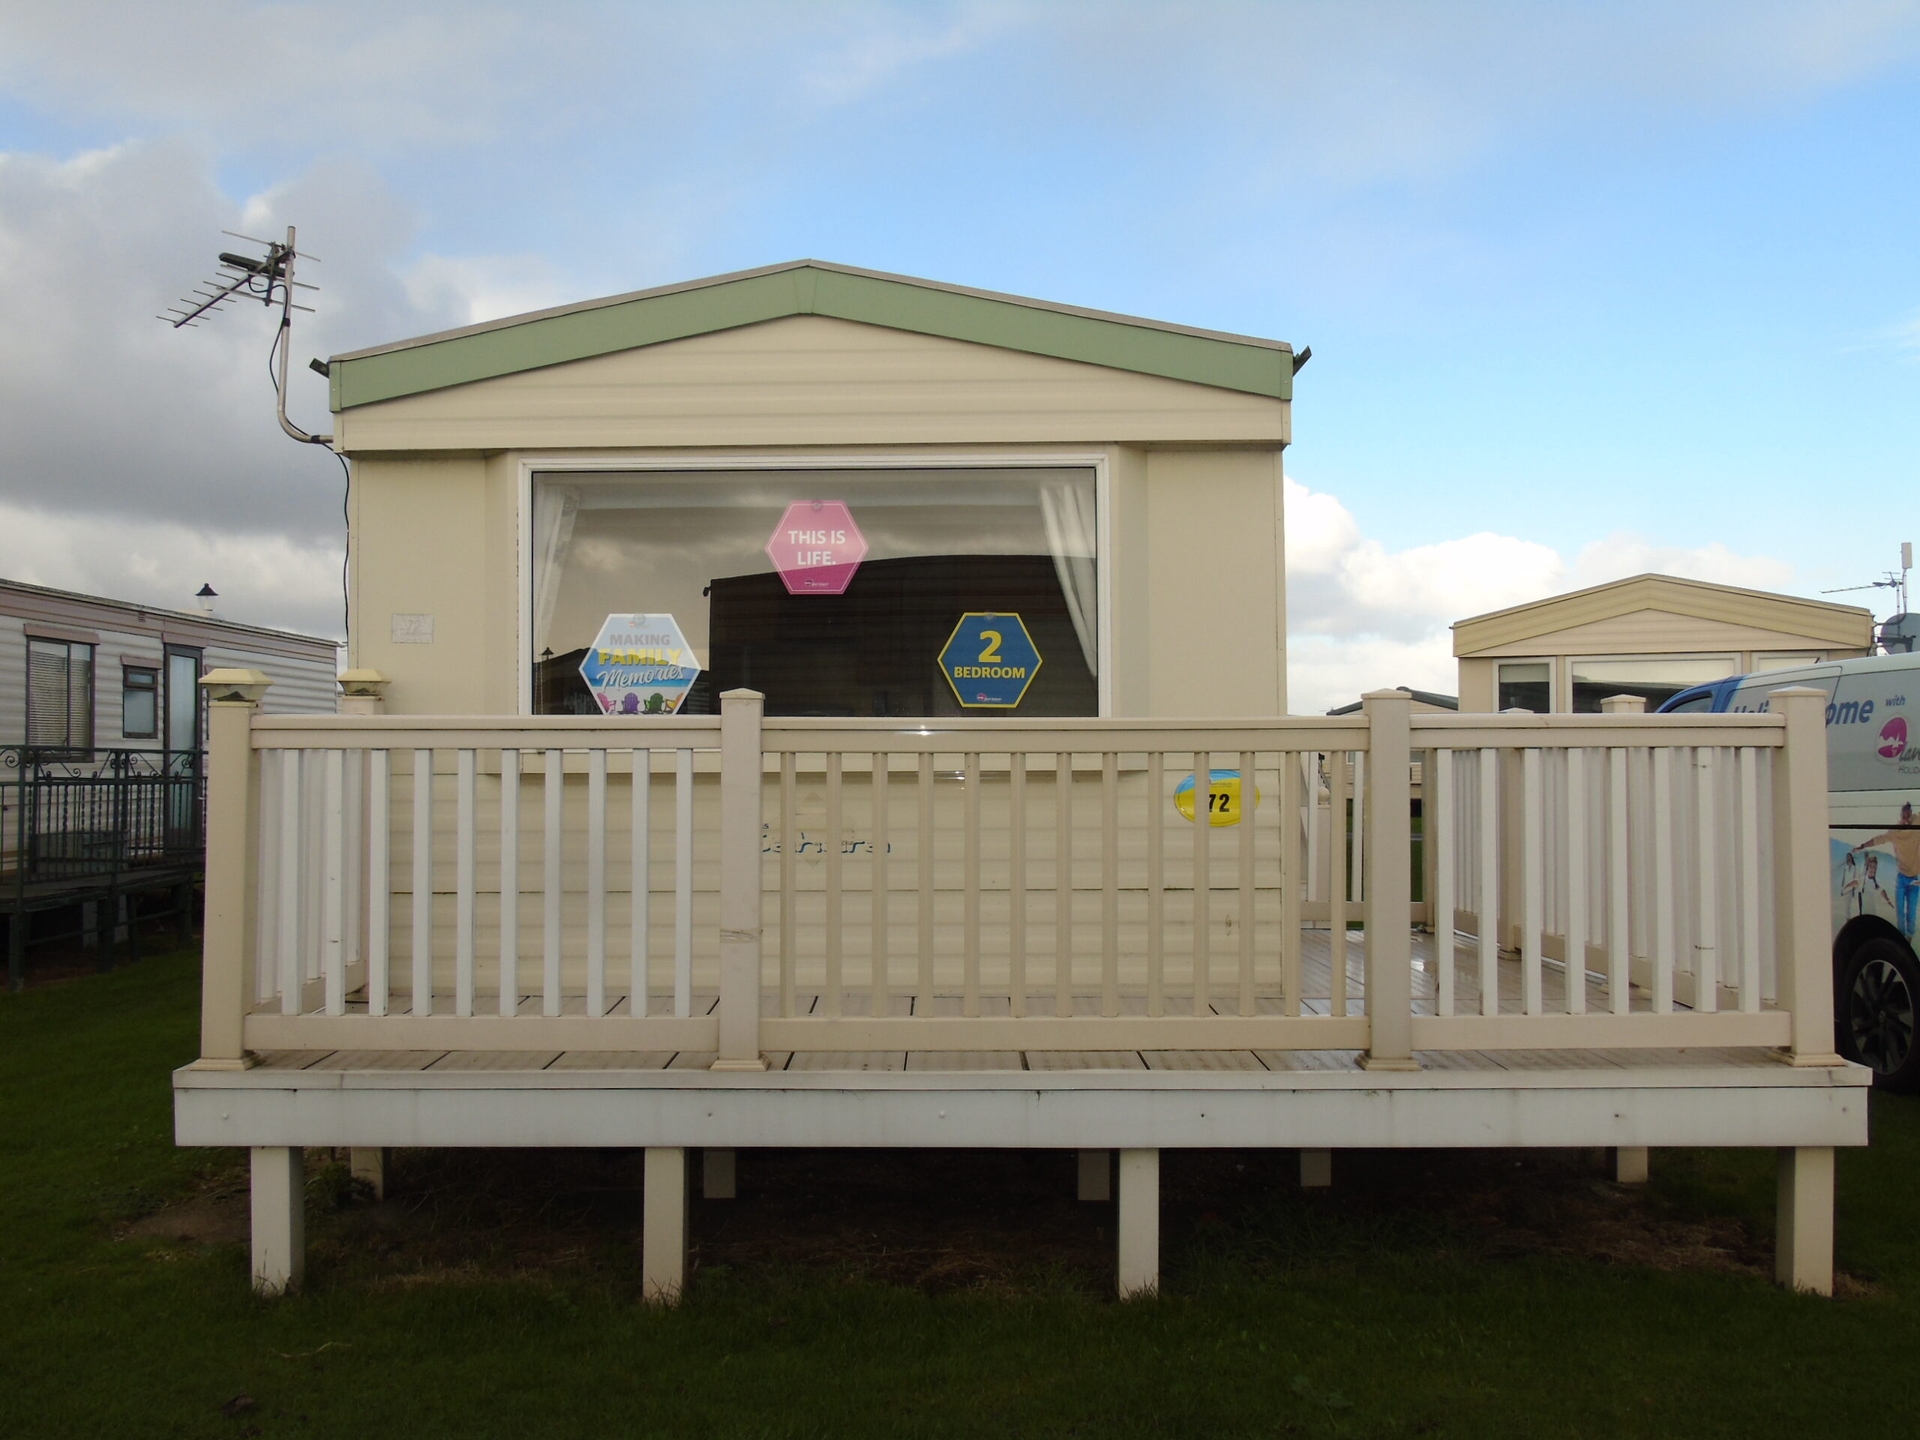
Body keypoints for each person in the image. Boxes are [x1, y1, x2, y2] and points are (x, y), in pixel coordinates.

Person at [1854, 801, 1920, 938]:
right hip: (1901, 877)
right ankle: (1902, 938)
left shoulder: (1917, 821)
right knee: (1899, 912)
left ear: (1911, 814)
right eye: (1903, 817)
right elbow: (1879, 839)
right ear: (1900, 816)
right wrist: (1862, 846)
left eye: (1908, 816)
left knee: (1911, 912)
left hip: (1914, 878)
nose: (1906, 820)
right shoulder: (1895, 832)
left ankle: (1909, 937)